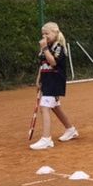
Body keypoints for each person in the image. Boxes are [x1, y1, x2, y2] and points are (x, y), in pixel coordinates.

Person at [30, 21, 78, 149]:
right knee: (55, 107)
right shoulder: (45, 48)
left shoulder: (59, 47)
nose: (44, 36)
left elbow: (53, 63)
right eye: (43, 34)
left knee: (44, 106)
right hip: (46, 80)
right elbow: (42, 65)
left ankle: (46, 139)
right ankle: (70, 129)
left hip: (55, 81)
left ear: (56, 33)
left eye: (47, 33)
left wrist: (45, 48)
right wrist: (39, 80)